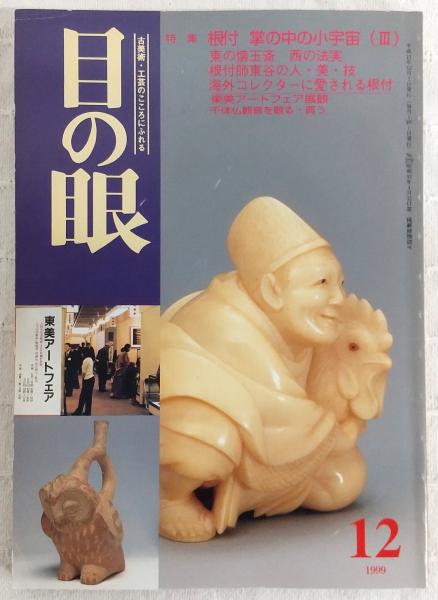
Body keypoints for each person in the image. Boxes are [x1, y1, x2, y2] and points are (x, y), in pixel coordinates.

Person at [160, 197, 379, 541]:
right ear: (272, 291)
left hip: (266, 441)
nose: (337, 297)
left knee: (344, 481)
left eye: (339, 282)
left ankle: (243, 492)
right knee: (209, 445)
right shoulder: (227, 324)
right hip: (185, 431)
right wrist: (336, 436)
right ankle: (169, 498)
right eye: (322, 283)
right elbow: (286, 413)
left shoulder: (297, 326)